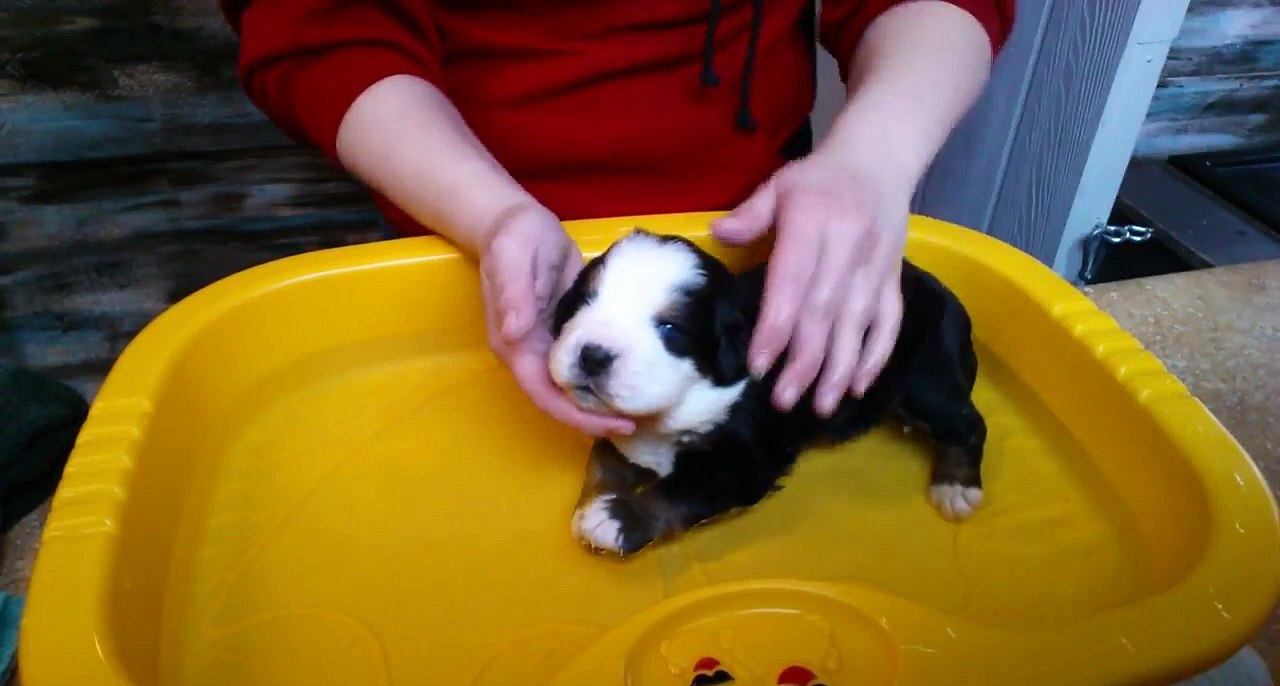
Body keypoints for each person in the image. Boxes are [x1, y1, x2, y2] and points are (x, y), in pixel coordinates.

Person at [220, 0, 1014, 437]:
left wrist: (874, 158)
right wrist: (492, 217)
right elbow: (322, 29)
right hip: (464, 228)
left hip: (749, 228)